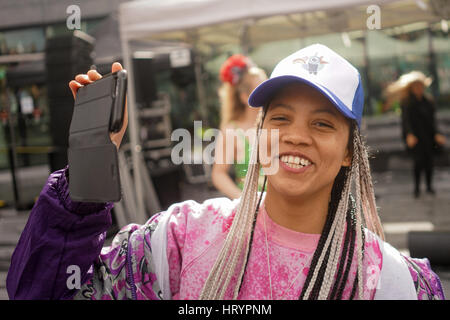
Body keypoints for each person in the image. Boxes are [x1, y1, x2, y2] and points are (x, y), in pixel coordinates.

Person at [7, 45, 445, 300]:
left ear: (350, 152)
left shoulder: (393, 283)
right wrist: (88, 164)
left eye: (323, 123)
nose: (296, 136)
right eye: (280, 119)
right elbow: (52, 292)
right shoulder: (178, 241)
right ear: (258, 133)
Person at [211, 54, 267, 199]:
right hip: (252, 211)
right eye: (260, 90)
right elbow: (218, 174)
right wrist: (243, 200)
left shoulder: (276, 123)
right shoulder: (233, 130)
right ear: (244, 97)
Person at [386, 71, 446, 198]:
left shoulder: (428, 101)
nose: (419, 89)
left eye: (420, 86)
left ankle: (429, 187)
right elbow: (406, 121)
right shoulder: (407, 103)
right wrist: (409, 134)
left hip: (428, 136)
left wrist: (437, 133)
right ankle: (417, 188)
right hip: (416, 137)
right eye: (416, 86)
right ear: (411, 88)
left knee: (429, 162)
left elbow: (432, 120)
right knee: (418, 162)